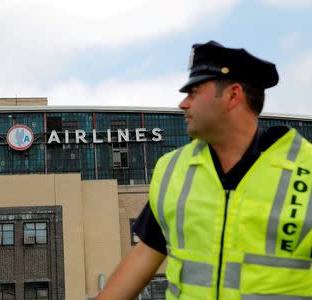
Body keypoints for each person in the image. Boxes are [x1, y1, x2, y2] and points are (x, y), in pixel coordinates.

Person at [97, 41, 312, 300]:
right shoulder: (172, 169)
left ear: (233, 95)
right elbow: (145, 254)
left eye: (193, 92)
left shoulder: (306, 169)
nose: (182, 104)